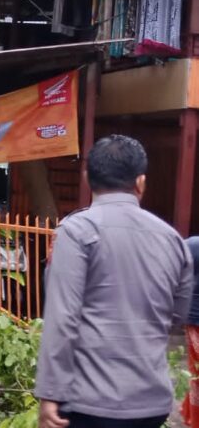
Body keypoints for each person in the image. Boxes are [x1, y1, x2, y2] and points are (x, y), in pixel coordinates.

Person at [36, 135, 193, 428]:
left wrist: (49, 394)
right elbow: (175, 314)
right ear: (141, 182)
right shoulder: (172, 239)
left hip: (89, 403)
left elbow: (62, 319)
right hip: (151, 404)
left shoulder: (76, 232)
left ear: (87, 178)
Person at [183, 236, 199, 426]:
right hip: (196, 317)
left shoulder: (191, 244)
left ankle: (190, 414)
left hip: (193, 315)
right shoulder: (193, 245)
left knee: (195, 369)